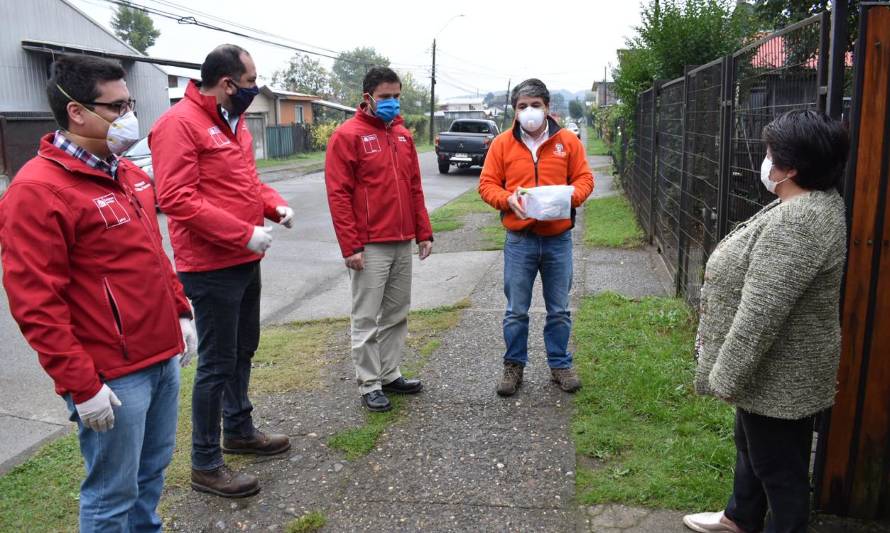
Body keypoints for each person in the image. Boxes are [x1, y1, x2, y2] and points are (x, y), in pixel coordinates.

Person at [0, 54, 197, 532]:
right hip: (112, 376)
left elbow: (154, 253)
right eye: (115, 107)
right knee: (112, 493)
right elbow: (35, 302)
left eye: (129, 103)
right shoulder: (38, 191)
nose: (128, 117)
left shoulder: (127, 174)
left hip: (160, 358)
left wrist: (180, 311)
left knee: (150, 477)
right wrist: (81, 385)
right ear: (76, 111)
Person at [683, 110, 849, 533]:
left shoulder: (800, 221)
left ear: (790, 167)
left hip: (780, 371)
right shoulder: (808, 203)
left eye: (770, 153)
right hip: (778, 368)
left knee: (780, 470)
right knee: (752, 447)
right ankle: (739, 518)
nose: (765, 160)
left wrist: (725, 377)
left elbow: (761, 313)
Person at [150, 44, 293, 498]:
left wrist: (273, 206)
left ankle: (239, 429)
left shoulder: (235, 124)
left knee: (243, 349)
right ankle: (206, 464)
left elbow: (247, 182)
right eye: (251, 82)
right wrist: (241, 233)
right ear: (228, 83)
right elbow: (176, 198)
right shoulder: (178, 125)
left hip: (244, 260)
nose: (255, 89)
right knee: (215, 365)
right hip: (210, 265)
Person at [324, 66, 433, 413]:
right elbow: (338, 195)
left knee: (397, 314)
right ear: (368, 97)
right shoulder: (347, 136)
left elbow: (414, 187)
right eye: (385, 97)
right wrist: (351, 246)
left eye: (396, 97)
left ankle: (390, 374)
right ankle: (369, 383)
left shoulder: (402, 136)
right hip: (369, 245)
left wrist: (424, 233)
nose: (392, 103)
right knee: (366, 317)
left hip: (402, 239)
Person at [478, 78, 594, 397]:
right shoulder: (502, 144)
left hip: (558, 240)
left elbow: (584, 178)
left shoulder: (567, 141)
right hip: (520, 241)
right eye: (522, 106)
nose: (529, 111)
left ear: (547, 108)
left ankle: (559, 364)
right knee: (516, 309)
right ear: (515, 111)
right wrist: (507, 200)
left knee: (559, 308)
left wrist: (571, 197)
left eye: (535, 105)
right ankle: (513, 365)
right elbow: (487, 184)